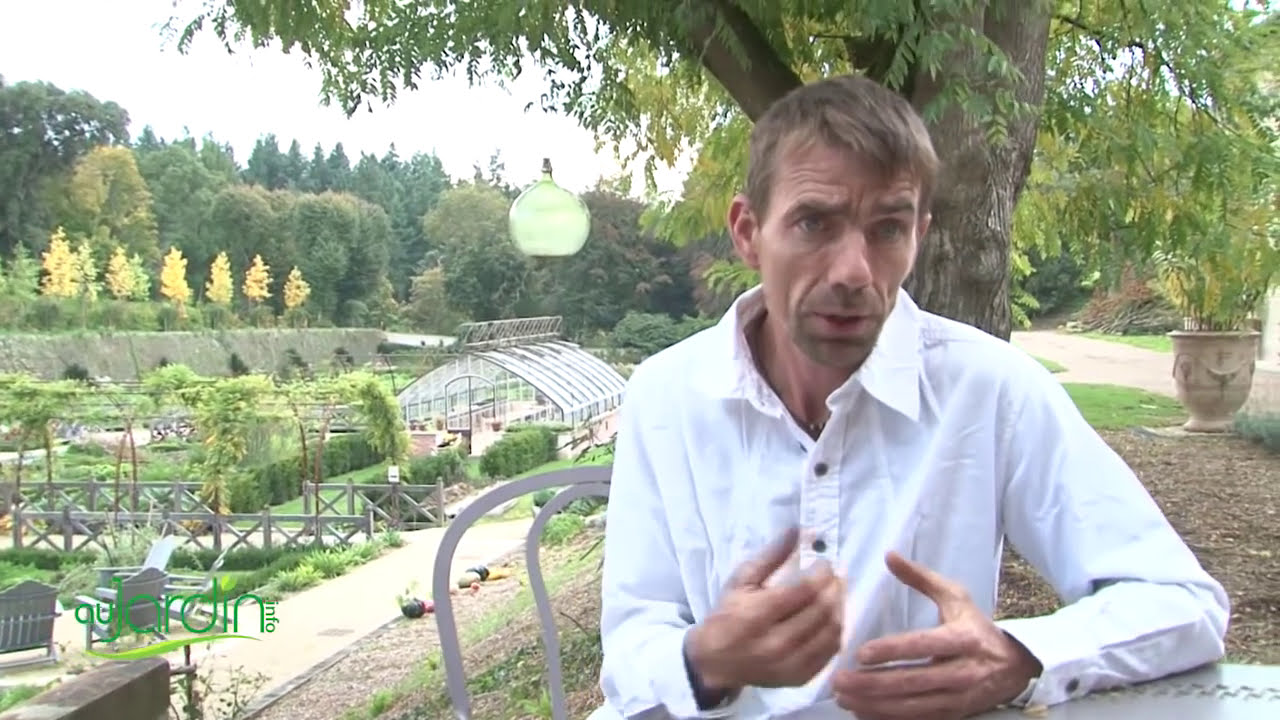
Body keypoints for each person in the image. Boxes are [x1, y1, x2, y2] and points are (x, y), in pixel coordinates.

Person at [589, 74, 1229, 720]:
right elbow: (632, 647)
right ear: (748, 232)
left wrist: (1020, 657)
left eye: (888, 229)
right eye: (813, 223)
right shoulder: (666, 395)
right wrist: (705, 660)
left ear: (919, 233)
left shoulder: (988, 389)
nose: (853, 271)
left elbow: (1181, 603)